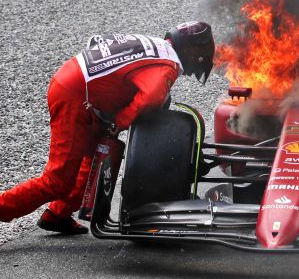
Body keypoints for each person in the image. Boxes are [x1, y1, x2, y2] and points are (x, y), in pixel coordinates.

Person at [0, 21, 215, 234]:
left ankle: (58, 215)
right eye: (202, 53)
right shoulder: (168, 65)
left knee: (94, 155)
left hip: (75, 84)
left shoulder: (158, 47)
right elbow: (149, 98)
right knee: (57, 181)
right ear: (190, 49)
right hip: (74, 96)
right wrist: (118, 123)